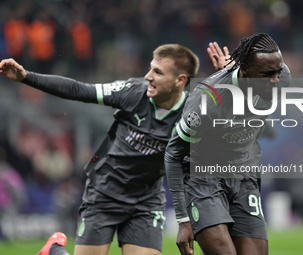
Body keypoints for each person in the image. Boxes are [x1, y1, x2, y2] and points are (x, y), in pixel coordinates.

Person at [0, 43, 200, 255]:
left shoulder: (193, 115)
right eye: (150, 68)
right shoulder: (133, 91)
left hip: (146, 201)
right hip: (105, 192)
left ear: (180, 80)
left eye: (158, 72)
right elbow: (80, 90)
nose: (148, 76)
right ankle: (54, 251)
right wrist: (26, 77)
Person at [165, 32, 291, 255]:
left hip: (244, 177)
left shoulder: (278, 79)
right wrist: (183, 220)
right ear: (245, 70)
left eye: (279, 72)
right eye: (268, 74)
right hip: (203, 179)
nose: (276, 80)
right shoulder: (206, 100)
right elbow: (173, 153)